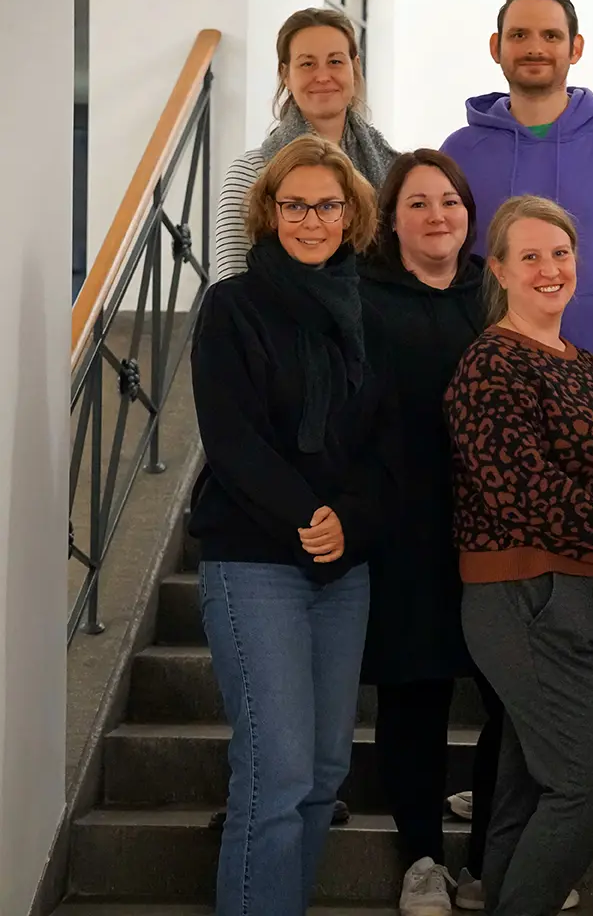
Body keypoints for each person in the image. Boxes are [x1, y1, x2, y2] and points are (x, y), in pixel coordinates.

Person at [359, 150, 580, 915]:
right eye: (418, 203)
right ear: (392, 218)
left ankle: (494, 856)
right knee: (415, 696)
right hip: (405, 531)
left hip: (493, 532)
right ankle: (422, 857)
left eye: (450, 201)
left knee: (513, 701)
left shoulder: (494, 294)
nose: (437, 215)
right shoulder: (363, 297)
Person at [444, 196, 593, 916]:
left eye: (562, 254)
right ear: (503, 270)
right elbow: (521, 489)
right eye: (532, 256)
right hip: (529, 600)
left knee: (527, 788)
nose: (551, 269)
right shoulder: (490, 364)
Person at [188, 136, 394, 916]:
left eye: (328, 205)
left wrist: (348, 521)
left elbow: (385, 451)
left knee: (323, 773)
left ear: (352, 215)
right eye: (296, 204)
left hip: (343, 570)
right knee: (275, 775)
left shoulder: (367, 316)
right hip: (253, 563)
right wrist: (309, 515)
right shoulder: (233, 306)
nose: (312, 219)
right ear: (269, 213)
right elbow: (232, 438)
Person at [440, 0, 593, 422]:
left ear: (575, 48)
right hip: (495, 387)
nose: (534, 47)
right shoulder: (459, 152)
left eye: (551, 35)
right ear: (496, 46)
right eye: (519, 35)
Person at [215, 7, 398, 282]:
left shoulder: (394, 170)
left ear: (354, 67)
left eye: (335, 61)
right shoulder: (251, 171)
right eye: (307, 64)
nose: (323, 76)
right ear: (285, 75)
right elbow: (232, 283)